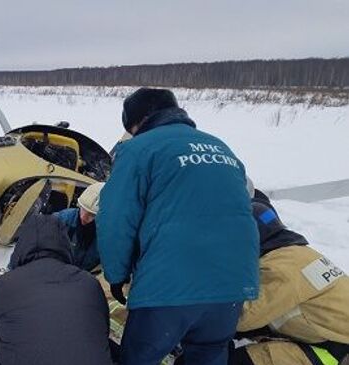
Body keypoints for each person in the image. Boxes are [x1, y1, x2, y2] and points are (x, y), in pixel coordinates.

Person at [98, 87, 259, 365]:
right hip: (232, 285)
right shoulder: (221, 147)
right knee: (209, 354)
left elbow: (115, 218)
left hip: (169, 286)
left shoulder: (137, 149)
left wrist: (116, 274)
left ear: (139, 122)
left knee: (138, 359)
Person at [230, 192, 349, 365]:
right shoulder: (298, 255)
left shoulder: (280, 269)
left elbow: (241, 317)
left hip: (335, 353)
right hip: (328, 340)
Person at [0, 214, 112, 365]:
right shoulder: (89, 284)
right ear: (64, 244)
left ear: (22, 246)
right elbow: (101, 331)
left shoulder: (4, 285)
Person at [54, 182, 104, 272]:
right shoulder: (61, 220)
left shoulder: (108, 238)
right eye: (83, 209)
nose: (84, 217)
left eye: (92, 215)